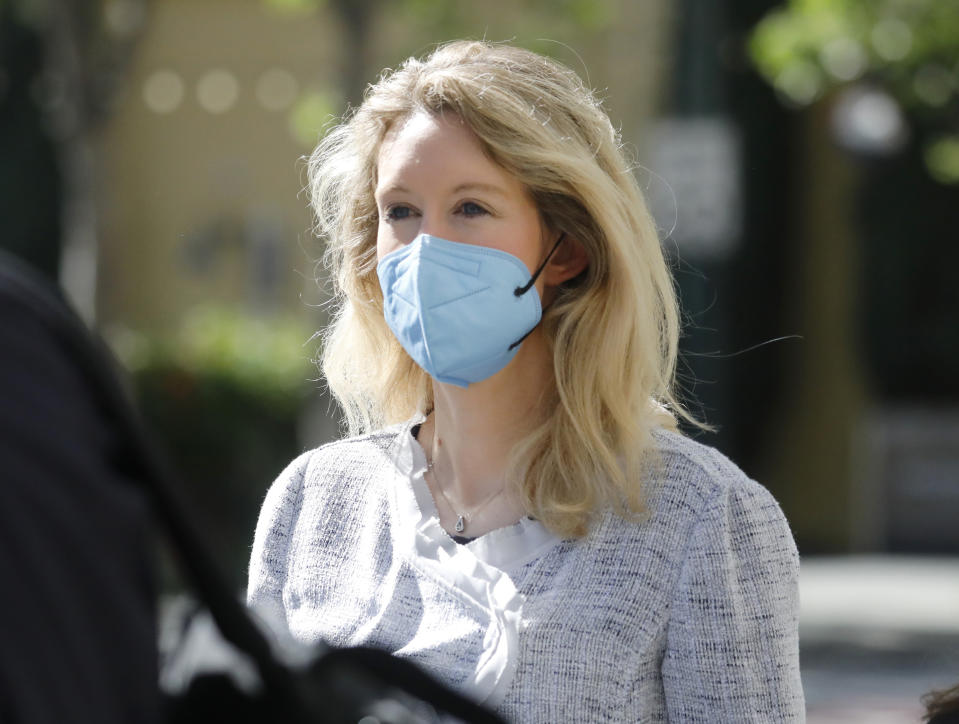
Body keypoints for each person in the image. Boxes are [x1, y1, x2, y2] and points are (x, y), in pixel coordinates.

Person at [247, 40, 804, 721]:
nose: (426, 249)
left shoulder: (698, 515)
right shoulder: (315, 499)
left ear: (567, 249)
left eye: (471, 208)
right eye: (400, 211)